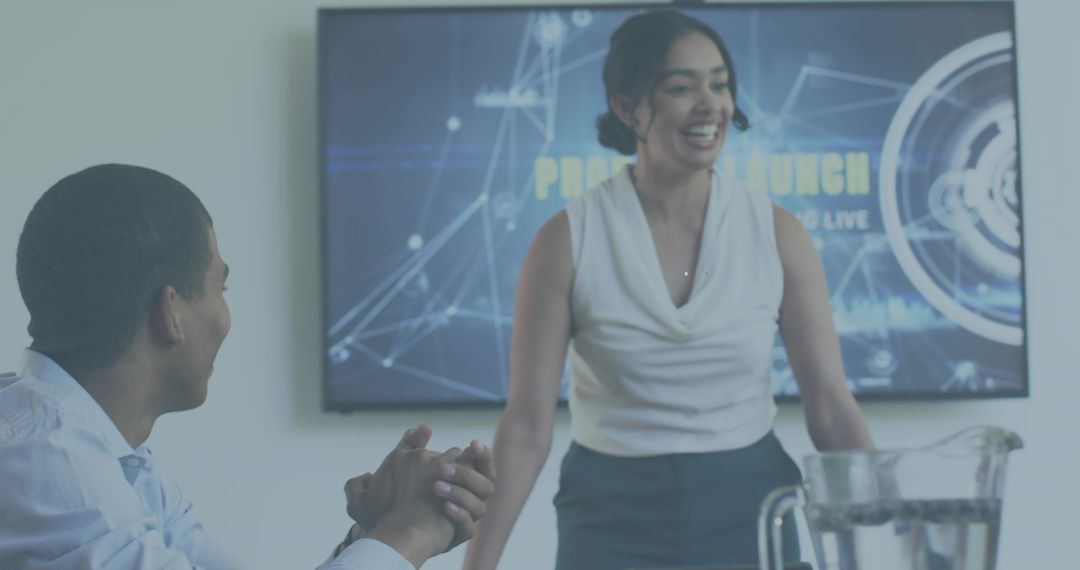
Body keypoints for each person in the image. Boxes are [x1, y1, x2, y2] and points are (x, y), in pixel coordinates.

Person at [463, 9, 874, 570]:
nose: (710, 104)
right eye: (681, 87)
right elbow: (528, 426)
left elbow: (829, 403)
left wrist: (886, 518)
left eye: (720, 84)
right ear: (627, 107)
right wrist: (476, 564)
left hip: (752, 508)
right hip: (608, 515)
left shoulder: (778, 233)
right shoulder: (565, 241)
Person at [0, 163, 496, 569]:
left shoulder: (111, 460)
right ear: (171, 312)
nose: (226, 318)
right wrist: (407, 533)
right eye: (222, 288)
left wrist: (371, 533)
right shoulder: (49, 466)